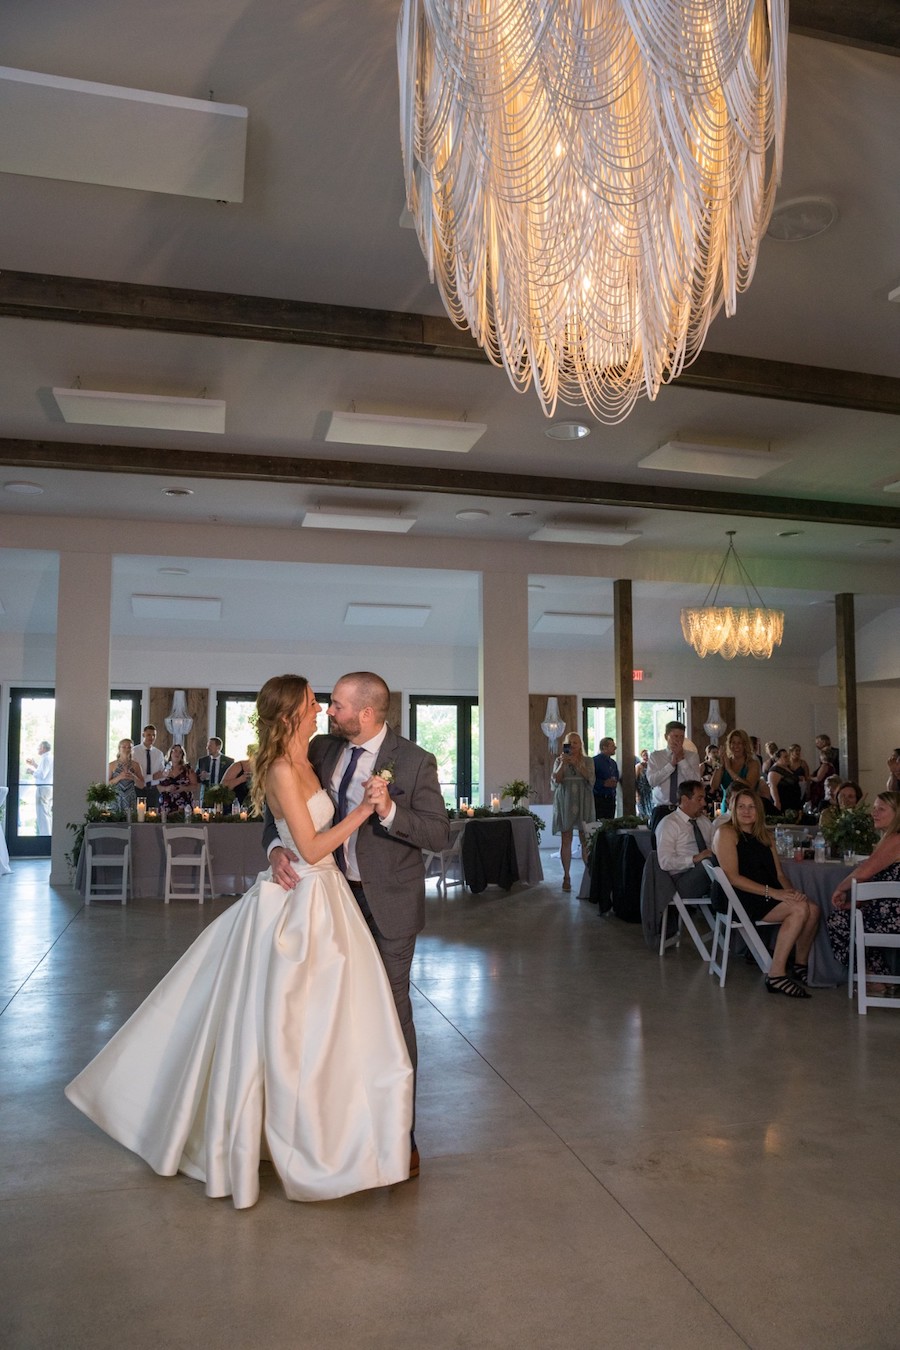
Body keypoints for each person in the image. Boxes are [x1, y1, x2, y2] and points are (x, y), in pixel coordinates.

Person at [66, 674, 414, 1209]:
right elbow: (314, 847)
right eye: (312, 702)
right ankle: (286, 1139)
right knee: (283, 1024)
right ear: (292, 713)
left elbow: (292, 830)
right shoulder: (279, 767)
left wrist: (279, 844)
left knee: (334, 1026)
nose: (322, 707)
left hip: (329, 901)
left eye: (328, 703)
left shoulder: (312, 758)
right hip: (300, 903)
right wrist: (360, 814)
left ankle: (340, 1134)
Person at [265, 670, 448, 1180]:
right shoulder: (320, 750)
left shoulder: (415, 761)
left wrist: (389, 811)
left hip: (388, 906)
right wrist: (276, 847)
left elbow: (439, 834)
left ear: (366, 713)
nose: (327, 710)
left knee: (391, 1013)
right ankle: (343, 1130)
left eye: (339, 704)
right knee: (334, 1019)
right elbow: (277, 809)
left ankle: (401, 1135)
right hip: (329, 905)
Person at [715, 787, 820, 998]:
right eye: (741, 806)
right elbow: (732, 878)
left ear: (759, 811)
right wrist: (775, 894)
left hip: (764, 892)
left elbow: (780, 874)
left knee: (813, 909)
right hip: (737, 896)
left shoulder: (765, 835)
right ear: (734, 808)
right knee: (799, 910)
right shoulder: (726, 832)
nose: (746, 811)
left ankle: (799, 965)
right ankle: (776, 975)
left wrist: (791, 892)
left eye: (751, 807)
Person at [827, 792, 900, 993]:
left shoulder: (895, 838)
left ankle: (871, 976)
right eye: (874, 808)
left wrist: (840, 888)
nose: (874, 813)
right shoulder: (889, 838)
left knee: (839, 921)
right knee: (855, 917)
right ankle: (883, 978)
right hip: (888, 913)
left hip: (893, 918)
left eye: (881, 809)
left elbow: (865, 872)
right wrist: (855, 904)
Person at [551, 732, 595, 892]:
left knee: (586, 839)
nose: (574, 745)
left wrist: (577, 764)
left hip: (584, 800)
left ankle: (589, 876)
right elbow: (556, 780)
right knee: (566, 838)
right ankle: (566, 876)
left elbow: (591, 779)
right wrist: (563, 763)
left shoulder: (588, 760)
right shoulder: (559, 760)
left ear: (581, 745)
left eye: (576, 743)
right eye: (571, 743)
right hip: (566, 800)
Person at [655, 780, 714, 898]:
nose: (704, 803)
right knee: (713, 863)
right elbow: (665, 862)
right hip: (681, 880)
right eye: (699, 799)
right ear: (685, 800)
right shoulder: (669, 823)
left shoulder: (704, 822)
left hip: (707, 874)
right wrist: (695, 859)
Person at [646, 721, 701, 808]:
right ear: (666, 737)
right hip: (662, 807)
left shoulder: (692, 756)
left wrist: (682, 761)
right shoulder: (656, 756)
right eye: (675, 736)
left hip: (685, 807)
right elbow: (652, 781)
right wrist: (671, 765)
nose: (679, 740)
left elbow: (695, 782)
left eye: (682, 737)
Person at [708, 729, 760, 809]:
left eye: (739, 743)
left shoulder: (753, 764)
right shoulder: (725, 761)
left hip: (746, 806)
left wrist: (729, 769)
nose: (736, 746)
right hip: (726, 806)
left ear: (745, 745)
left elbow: (749, 787)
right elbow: (714, 786)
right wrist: (721, 765)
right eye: (733, 743)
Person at [157, 745, 198, 815]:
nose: (177, 754)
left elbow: (195, 786)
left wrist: (184, 788)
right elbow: (157, 786)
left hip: (183, 804)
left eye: (180, 752)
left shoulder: (187, 769)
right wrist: (166, 788)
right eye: (175, 751)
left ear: (182, 755)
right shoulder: (163, 768)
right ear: (170, 753)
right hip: (166, 804)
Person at [108, 739, 144, 814]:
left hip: (130, 799)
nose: (127, 749)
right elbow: (106, 784)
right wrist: (119, 777)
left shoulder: (136, 765)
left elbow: (142, 785)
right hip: (116, 799)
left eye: (129, 747)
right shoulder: (111, 765)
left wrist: (133, 777)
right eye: (124, 747)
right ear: (119, 749)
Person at [25, 740, 54, 834]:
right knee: (46, 813)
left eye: (39, 747)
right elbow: (43, 771)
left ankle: (44, 836)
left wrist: (31, 771)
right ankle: (47, 835)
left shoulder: (46, 758)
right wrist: (34, 765)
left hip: (43, 789)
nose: (38, 749)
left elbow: (42, 775)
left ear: (43, 748)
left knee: (42, 814)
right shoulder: (49, 758)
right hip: (47, 788)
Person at [767, 748, 803, 814]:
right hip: (784, 800)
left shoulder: (786, 767)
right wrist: (777, 801)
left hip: (793, 800)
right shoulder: (775, 770)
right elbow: (772, 786)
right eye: (785, 757)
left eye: (788, 756)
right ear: (778, 758)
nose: (788, 758)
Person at [137, 724, 166, 808]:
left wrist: (164, 774)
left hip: (154, 789)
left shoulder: (159, 753)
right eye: (149, 735)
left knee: (153, 816)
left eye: (154, 735)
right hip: (139, 789)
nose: (152, 737)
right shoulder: (135, 752)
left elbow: (161, 773)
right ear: (143, 735)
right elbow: (135, 774)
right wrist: (151, 777)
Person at [592, 737, 619, 820]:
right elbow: (589, 779)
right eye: (612, 746)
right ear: (604, 747)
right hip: (599, 799)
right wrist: (603, 783)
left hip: (611, 799)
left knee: (610, 825)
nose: (615, 748)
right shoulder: (594, 761)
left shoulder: (613, 763)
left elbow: (616, 776)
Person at [221, 743, 256, 808]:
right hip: (236, 806)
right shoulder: (237, 766)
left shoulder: (264, 767)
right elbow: (223, 786)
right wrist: (240, 779)